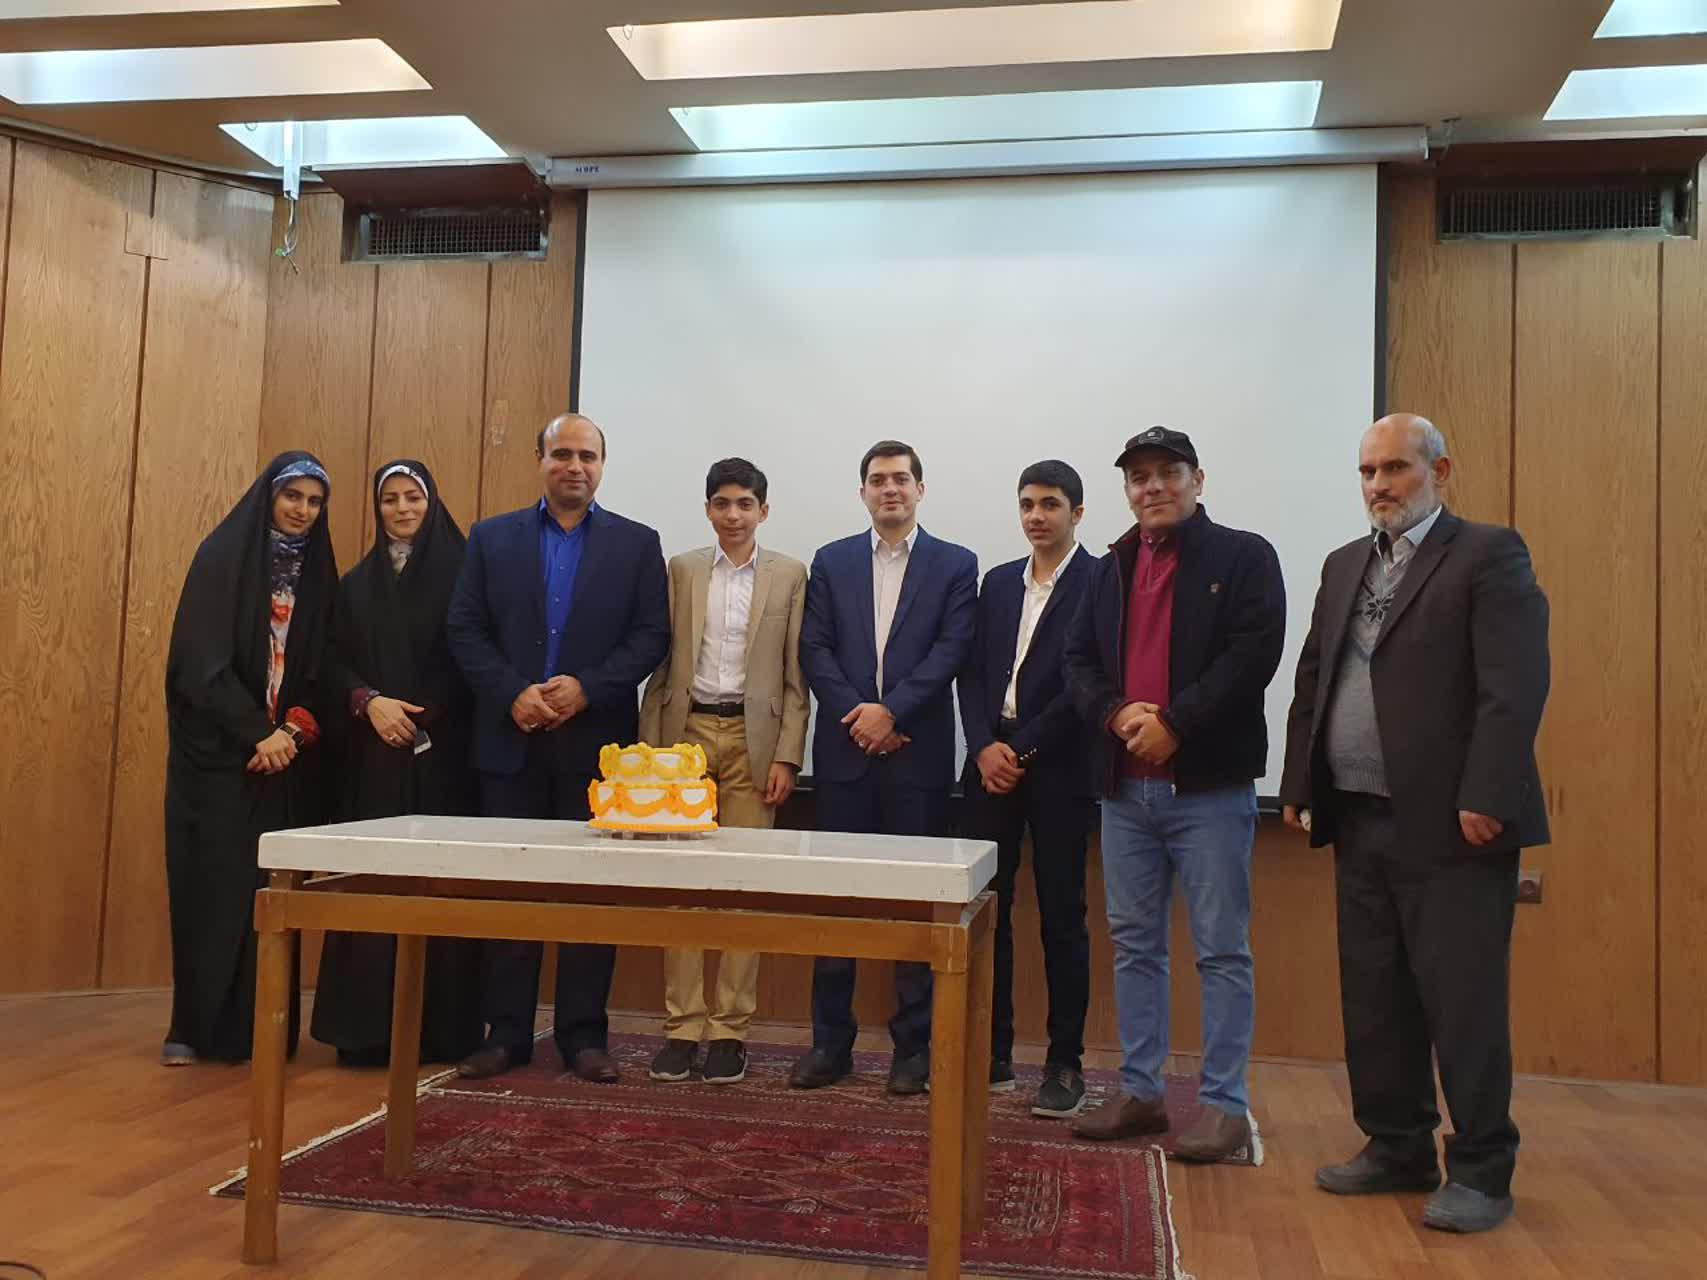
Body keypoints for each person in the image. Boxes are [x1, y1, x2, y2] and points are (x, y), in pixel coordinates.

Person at [1281, 413, 1549, 1235]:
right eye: (1367, 472)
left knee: (1461, 1003)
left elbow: (1514, 687)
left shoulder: (1487, 554)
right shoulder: (1343, 562)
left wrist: (1487, 794)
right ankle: (1396, 1145)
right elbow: (1314, 677)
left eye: (1394, 468)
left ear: (1440, 470)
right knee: (1374, 997)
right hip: (1359, 815)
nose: (1378, 486)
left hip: (1453, 826)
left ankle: (1481, 1170)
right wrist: (1299, 781)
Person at [1063, 425, 1285, 1162]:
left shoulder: (1244, 556)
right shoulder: (1108, 568)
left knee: (1221, 951)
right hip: (1124, 793)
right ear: (1127, 490)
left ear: (1197, 479)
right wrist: (1115, 713)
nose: (1152, 486)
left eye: (1167, 472)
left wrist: (1175, 725)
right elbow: (1077, 660)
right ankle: (1140, 1093)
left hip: (1208, 791)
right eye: (1139, 477)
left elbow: (1252, 655)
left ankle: (1224, 1107)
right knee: (1135, 948)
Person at [445, 413, 669, 1082]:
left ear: (602, 465)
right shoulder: (491, 538)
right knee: (509, 891)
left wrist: (589, 688)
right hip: (509, 742)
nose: (575, 466)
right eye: (562, 454)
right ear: (540, 459)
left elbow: (651, 636)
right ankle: (506, 1033)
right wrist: (511, 692)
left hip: (595, 749)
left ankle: (583, 1036)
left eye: (587, 456)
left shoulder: (637, 544)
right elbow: (464, 628)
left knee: (591, 895)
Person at [791, 440, 977, 1095]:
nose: (889, 488)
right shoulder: (831, 560)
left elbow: (952, 649)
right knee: (837, 904)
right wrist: (861, 717)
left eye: (901, 478)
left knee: (914, 907)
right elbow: (814, 648)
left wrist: (891, 712)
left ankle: (913, 1051)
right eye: (877, 479)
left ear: (920, 489)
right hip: (844, 757)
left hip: (916, 757)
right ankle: (829, 1044)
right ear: (863, 492)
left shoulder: (956, 564)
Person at [161, 452, 337, 1065]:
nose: (302, 510)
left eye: (314, 501)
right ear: (269, 496)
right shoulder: (221, 559)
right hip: (216, 759)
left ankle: (262, 1029)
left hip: (281, 761)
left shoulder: (318, 573)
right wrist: (254, 733)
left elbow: (323, 667)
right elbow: (198, 664)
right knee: (210, 891)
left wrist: (289, 731)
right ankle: (192, 1029)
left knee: (267, 893)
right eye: (293, 496)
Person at [639, 458, 810, 1086]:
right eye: (721, 503)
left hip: (752, 741)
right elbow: (661, 665)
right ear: (708, 509)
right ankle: (683, 1026)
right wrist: (650, 754)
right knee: (680, 885)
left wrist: (788, 754)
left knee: (743, 885)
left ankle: (730, 1031)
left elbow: (796, 676)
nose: (732, 515)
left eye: (744, 504)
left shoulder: (790, 574)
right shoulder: (682, 569)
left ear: (764, 510)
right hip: (682, 736)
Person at [310, 460, 483, 1068]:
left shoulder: (467, 574)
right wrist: (370, 702)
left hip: (446, 761)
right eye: (390, 499)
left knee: (439, 886)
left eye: (413, 497)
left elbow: (475, 654)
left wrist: (424, 712)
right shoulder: (356, 583)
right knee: (373, 882)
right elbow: (331, 661)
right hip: (375, 759)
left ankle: (443, 1031)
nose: (402, 509)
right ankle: (364, 1031)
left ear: (432, 503)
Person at [957, 459, 1094, 1119]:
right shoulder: (997, 581)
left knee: (1062, 917)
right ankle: (993, 1052)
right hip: (990, 761)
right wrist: (982, 745)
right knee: (988, 911)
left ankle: (1064, 1063)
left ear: (1077, 513)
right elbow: (972, 672)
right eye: (1027, 504)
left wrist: (1022, 747)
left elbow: (1086, 683)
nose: (1036, 516)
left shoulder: (1101, 581)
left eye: (1050, 504)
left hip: (1060, 766)